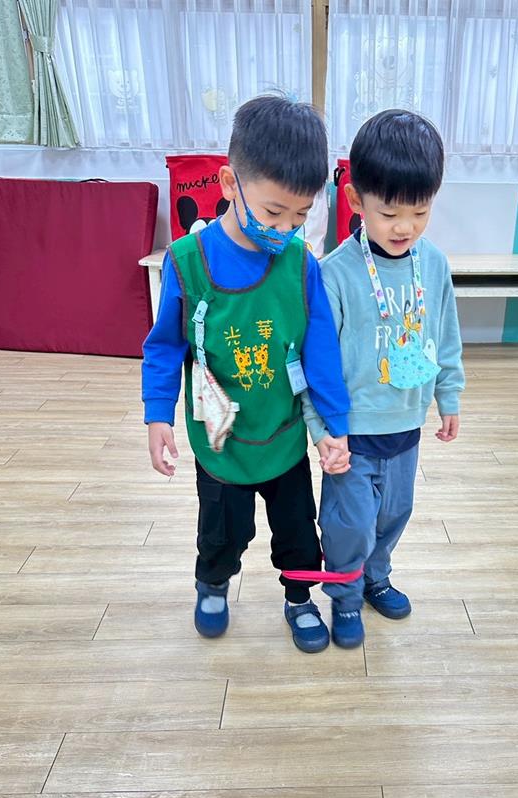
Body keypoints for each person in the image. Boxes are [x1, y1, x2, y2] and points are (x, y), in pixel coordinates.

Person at [142, 95, 351, 654]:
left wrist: (335, 425)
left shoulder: (301, 265)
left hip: (283, 436)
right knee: (221, 533)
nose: (285, 229)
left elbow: (321, 350)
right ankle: (212, 585)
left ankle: (300, 598)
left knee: (299, 534)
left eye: (301, 216)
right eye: (274, 212)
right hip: (220, 442)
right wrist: (157, 415)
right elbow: (164, 348)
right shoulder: (187, 261)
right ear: (230, 183)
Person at [304, 109, 465, 648]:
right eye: (390, 212)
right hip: (351, 434)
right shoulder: (334, 273)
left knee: (395, 513)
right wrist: (322, 431)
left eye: (420, 212)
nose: (404, 228)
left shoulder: (433, 264)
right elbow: (316, 364)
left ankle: (376, 578)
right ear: (355, 200)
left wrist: (449, 395)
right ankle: (345, 597)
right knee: (348, 522)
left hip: (406, 428)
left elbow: (445, 334)